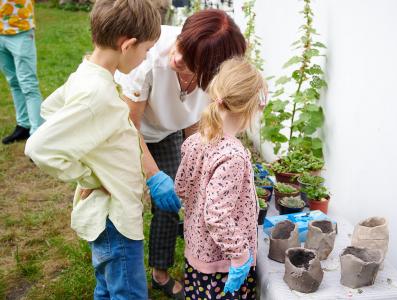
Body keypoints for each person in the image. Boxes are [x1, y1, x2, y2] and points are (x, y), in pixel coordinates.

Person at [25, 0, 180, 299]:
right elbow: (39, 147)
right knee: (129, 293)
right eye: (146, 50)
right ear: (128, 44)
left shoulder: (92, 74)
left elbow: (53, 108)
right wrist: (91, 177)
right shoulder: (96, 92)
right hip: (116, 219)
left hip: (113, 216)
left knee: (108, 289)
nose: (146, 58)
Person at [115, 9, 246, 299]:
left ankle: (160, 270)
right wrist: (153, 176)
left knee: (175, 198)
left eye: (189, 62)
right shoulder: (146, 58)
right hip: (132, 132)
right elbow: (129, 128)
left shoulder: (216, 76)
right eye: (181, 47)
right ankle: (135, 269)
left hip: (170, 130)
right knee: (138, 202)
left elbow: (194, 121)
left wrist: (199, 161)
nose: (177, 58)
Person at [175, 57, 267, 299]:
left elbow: (181, 188)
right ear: (251, 108)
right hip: (223, 265)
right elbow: (216, 215)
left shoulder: (196, 140)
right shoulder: (233, 155)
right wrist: (240, 256)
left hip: (197, 254)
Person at [0, 0, 44, 144]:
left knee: (28, 84)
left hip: (21, 30)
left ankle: (37, 135)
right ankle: (23, 125)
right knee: (13, 81)